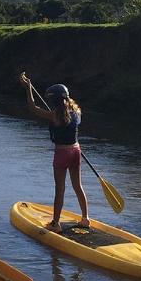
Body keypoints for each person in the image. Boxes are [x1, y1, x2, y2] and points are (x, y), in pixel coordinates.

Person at [19, 73, 89, 233]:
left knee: (60, 189)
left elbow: (33, 108)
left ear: (55, 100)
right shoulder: (77, 112)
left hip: (62, 154)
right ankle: (85, 218)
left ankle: (55, 223)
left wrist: (28, 88)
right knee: (78, 186)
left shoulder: (55, 115)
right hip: (76, 150)